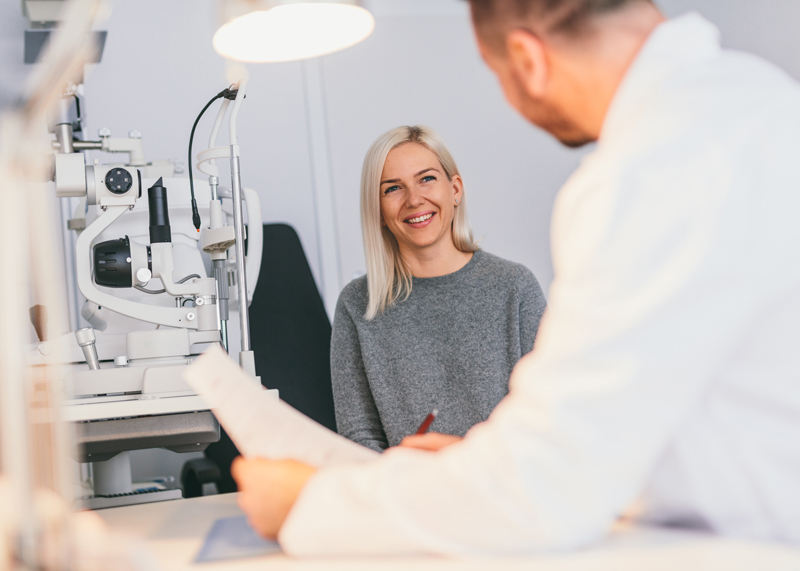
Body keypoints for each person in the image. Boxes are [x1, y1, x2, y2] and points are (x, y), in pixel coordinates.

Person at [232, 0, 800, 555]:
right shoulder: (765, 101)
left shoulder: (644, 176)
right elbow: (647, 428)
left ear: (527, 59)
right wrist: (476, 467)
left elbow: (553, 487)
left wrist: (312, 505)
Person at [331, 125, 546, 453]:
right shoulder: (358, 304)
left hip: (502, 492)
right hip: (408, 497)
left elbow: (548, 416)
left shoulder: (515, 287)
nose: (414, 199)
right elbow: (358, 439)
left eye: (427, 179)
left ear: (455, 189)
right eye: (392, 188)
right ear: (378, 213)